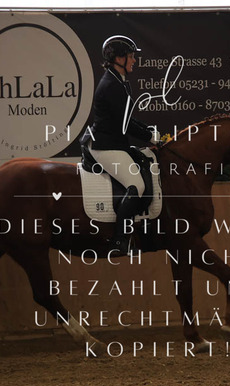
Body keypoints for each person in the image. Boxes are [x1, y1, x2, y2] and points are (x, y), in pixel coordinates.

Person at [87, 35, 161, 254]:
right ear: (118, 58)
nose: (134, 60)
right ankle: (119, 241)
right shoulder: (111, 85)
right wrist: (149, 137)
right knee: (136, 186)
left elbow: (127, 117)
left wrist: (149, 131)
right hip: (105, 147)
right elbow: (125, 124)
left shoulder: (119, 81)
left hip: (115, 143)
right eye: (131, 56)